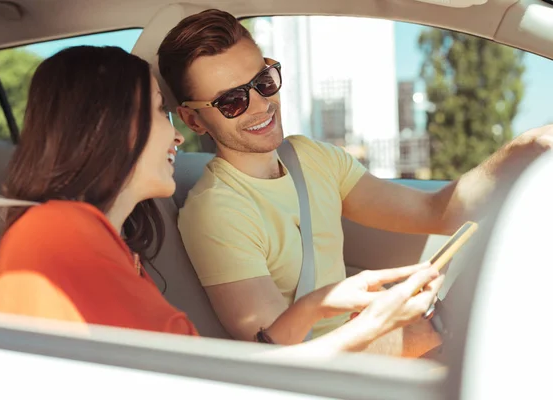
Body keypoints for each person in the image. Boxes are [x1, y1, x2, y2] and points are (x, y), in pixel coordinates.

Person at [0, 45, 444, 355]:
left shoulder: (96, 244)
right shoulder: (57, 238)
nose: (176, 135)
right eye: (161, 112)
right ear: (114, 125)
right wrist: (372, 324)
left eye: (263, 83)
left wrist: (316, 305)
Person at [157, 9, 553, 356]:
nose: (261, 105)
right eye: (231, 101)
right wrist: (432, 328)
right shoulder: (216, 213)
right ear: (193, 120)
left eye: (262, 81)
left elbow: (432, 210)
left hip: (379, 347)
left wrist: (518, 152)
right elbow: (281, 358)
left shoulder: (311, 157)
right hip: (338, 376)